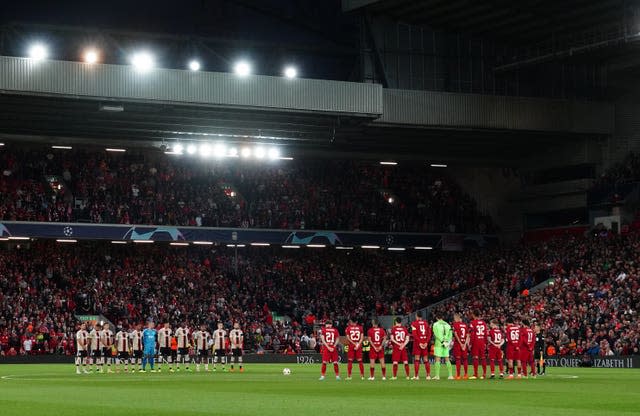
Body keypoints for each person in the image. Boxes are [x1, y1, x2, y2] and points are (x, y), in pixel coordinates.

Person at [410, 311, 431, 380]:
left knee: (417, 359)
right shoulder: (426, 323)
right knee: (426, 360)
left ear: (416, 316)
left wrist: (420, 342)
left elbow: (414, 334)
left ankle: (416, 376)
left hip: (417, 344)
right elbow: (429, 334)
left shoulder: (414, 323)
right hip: (425, 343)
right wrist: (426, 342)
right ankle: (428, 376)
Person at [432, 314, 453, 380]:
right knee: (447, 359)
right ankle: (450, 376)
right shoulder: (447, 324)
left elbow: (436, 334)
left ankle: (437, 376)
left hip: (439, 344)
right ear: (442, 317)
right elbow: (451, 334)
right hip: (446, 344)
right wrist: (447, 342)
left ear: (436, 317)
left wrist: (442, 341)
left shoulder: (435, 324)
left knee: (437, 359)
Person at [469, 310, 488, 379]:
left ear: (473, 315)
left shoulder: (473, 323)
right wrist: (486, 343)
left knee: (475, 358)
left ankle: (475, 374)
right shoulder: (483, 323)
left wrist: (470, 343)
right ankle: (484, 374)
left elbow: (472, 334)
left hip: (476, 341)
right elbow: (486, 334)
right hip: (482, 341)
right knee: (483, 358)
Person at [451, 313, 470, 380]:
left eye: (454, 318)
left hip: (458, 344)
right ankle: (465, 375)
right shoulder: (465, 325)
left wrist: (461, 344)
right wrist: (464, 344)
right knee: (465, 359)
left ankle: (458, 375)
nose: (454, 319)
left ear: (456, 318)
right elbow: (467, 335)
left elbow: (456, 335)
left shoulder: (455, 324)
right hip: (464, 344)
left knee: (458, 359)